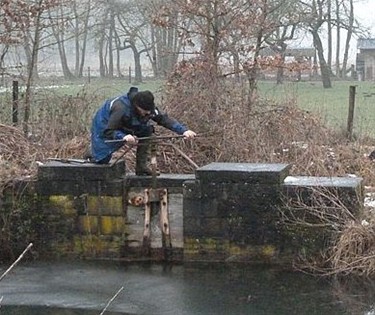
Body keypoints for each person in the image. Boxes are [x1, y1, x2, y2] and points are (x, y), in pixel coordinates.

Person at [89, 86, 196, 175]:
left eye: (149, 112)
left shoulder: (148, 109)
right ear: (137, 106)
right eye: (145, 111)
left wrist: (183, 131)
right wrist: (123, 137)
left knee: (147, 131)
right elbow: (109, 131)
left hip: (127, 124)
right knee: (102, 160)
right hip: (105, 126)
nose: (148, 114)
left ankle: (141, 167)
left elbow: (164, 119)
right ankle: (91, 153)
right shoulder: (120, 108)